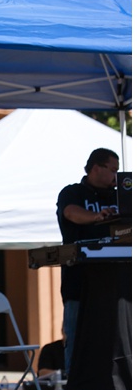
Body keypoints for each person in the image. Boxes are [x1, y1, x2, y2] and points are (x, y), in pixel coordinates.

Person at [56, 148, 119, 376]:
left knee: (114, 340)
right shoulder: (72, 192)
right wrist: (97, 216)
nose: (116, 177)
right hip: (78, 282)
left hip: (115, 284)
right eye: (113, 170)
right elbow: (71, 213)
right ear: (95, 168)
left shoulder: (118, 195)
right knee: (77, 339)